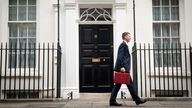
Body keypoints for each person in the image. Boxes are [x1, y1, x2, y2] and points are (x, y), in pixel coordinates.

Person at [109, 32, 147, 106]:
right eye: (129, 36)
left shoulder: (125, 45)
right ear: (125, 36)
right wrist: (122, 67)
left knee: (118, 85)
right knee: (129, 85)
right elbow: (120, 57)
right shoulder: (123, 45)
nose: (130, 37)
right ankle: (137, 100)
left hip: (123, 68)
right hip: (123, 69)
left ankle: (112, 101)